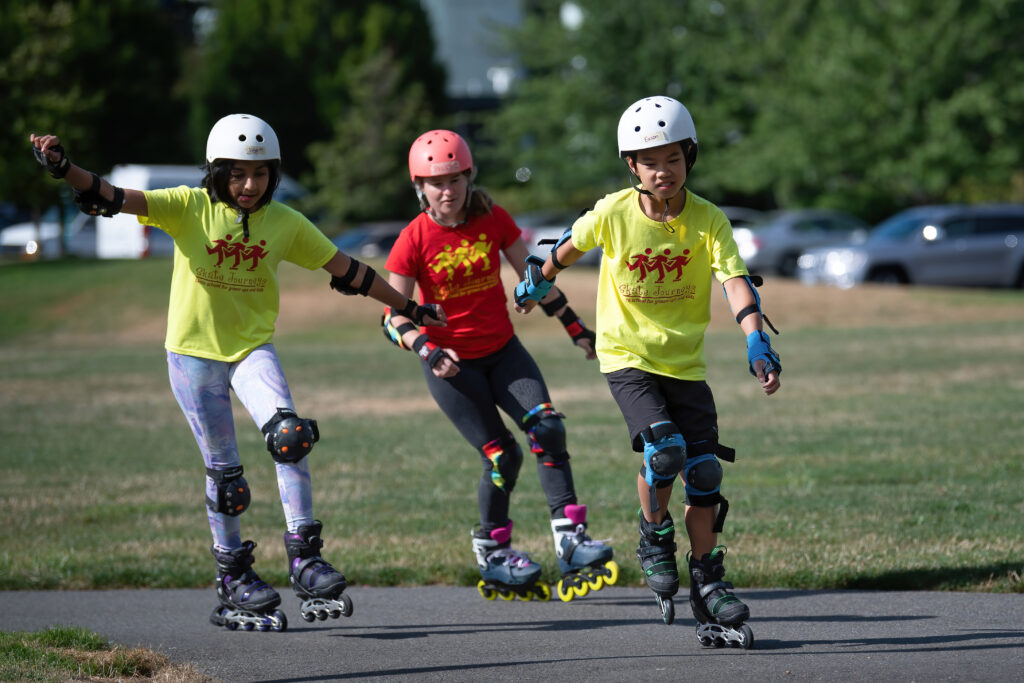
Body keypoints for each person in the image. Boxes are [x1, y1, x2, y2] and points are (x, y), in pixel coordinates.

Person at [29, 114, 446, 632]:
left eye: (261, 174)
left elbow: (350, 271)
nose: (250, 186)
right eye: (237, 174)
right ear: (216, 171)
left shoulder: (285, 223)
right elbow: (111, 196)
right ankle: (232, 577)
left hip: (251, 350)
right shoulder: (187, 207)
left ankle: (305, 558)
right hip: (192, 356)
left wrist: (408, 306)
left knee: (290, 437)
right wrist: (64, 168)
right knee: (227, 477)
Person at [513, 96, 780, 647]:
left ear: (690, 156)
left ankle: (708, 581)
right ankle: (655, 534)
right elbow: (568, 246)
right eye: (650, 161)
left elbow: (734, 280)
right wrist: (538, 279)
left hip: (685, 363)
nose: (664, 171)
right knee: (665, 453)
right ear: (631, 166)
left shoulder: (708, 219)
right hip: (627, 356)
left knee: (705, 475)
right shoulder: (614, 212)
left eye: (674, 159)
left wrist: (756, 338)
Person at [381, 129, 619, 602]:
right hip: (452, 366)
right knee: (501, 456)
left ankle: (570, 540)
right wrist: (429, 351)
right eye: (435, 182)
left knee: (548, 428)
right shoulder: (412, 238)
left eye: (455, 179)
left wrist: (575, 327)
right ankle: (493, 551)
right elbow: (392, 317)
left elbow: (533, 276)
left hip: (504, 352)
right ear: (419, 187)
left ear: (470, 178)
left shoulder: (493, 218)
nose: (446, 191)